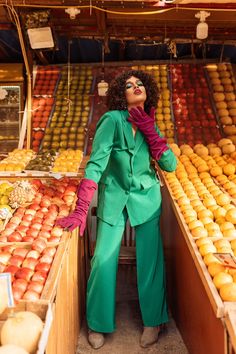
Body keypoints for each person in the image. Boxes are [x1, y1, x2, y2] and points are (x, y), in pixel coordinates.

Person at [57, 69, 177, 349]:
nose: (135, 87)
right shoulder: (111, 120)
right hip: (113, 197)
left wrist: (150, 131)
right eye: (128, 85)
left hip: (146, 200)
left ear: (147, 91)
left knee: (151, 260)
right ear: (121, 96)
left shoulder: (151, 124)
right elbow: (96, 164)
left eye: (139, 84)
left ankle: (153, 322)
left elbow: (170, 165)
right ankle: (97, 323)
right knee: (103, 259)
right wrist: (82, 206)